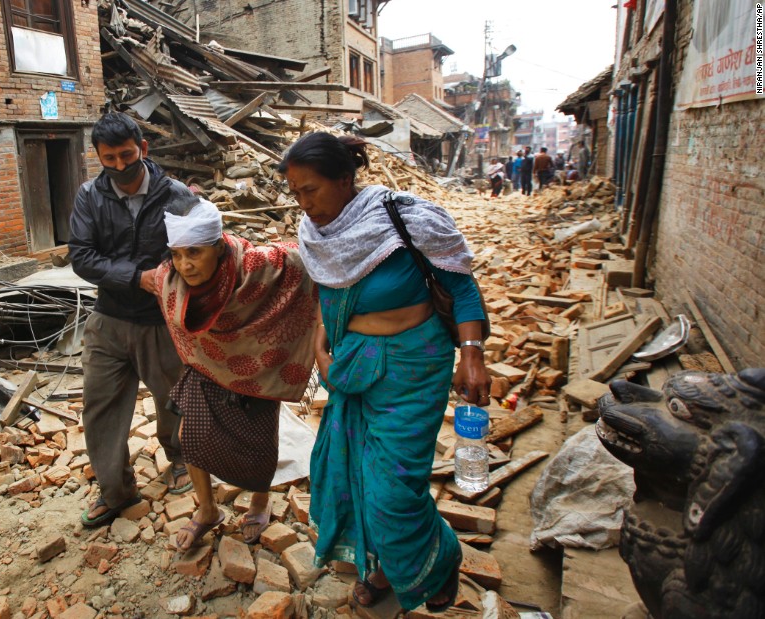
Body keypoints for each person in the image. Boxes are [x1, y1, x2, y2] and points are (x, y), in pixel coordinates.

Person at [280, 133, 491, 612]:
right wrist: (319, 345)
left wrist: (473, 354)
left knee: (394, 489)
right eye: (295, 193)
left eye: (311, 189)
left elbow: (461, 287)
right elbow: (326, 295)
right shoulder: (314, 232)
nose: (304, 202)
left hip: (413, 369)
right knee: (351, 472)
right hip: (351, 368)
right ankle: (381, 566)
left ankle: (440, 560)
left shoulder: (402, 217)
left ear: (344, 178)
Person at [153, 200, 319, 550]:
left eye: (194, 253)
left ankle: (260, 502)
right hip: (205, 363)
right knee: (189, 435)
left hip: (257, 366)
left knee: (257, 445)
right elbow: (160, 287)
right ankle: (207, 510)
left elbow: (299, 258)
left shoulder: (255, 265)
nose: (185, 264)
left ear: (217, 247)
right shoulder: (169, 274)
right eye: (178, 254)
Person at [68, 112, 196, 527]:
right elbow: (82, 257)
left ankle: (180, 461)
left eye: (127, 155)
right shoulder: (89, 196)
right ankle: (116, 491)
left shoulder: (175, 194)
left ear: (143, 148)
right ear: (98, 156)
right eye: (110, 158)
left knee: (174, 397)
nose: (120, 166)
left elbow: (201, 247)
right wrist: (137, 277)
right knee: (100, 406)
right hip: (108, 319)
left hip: (162, 321)